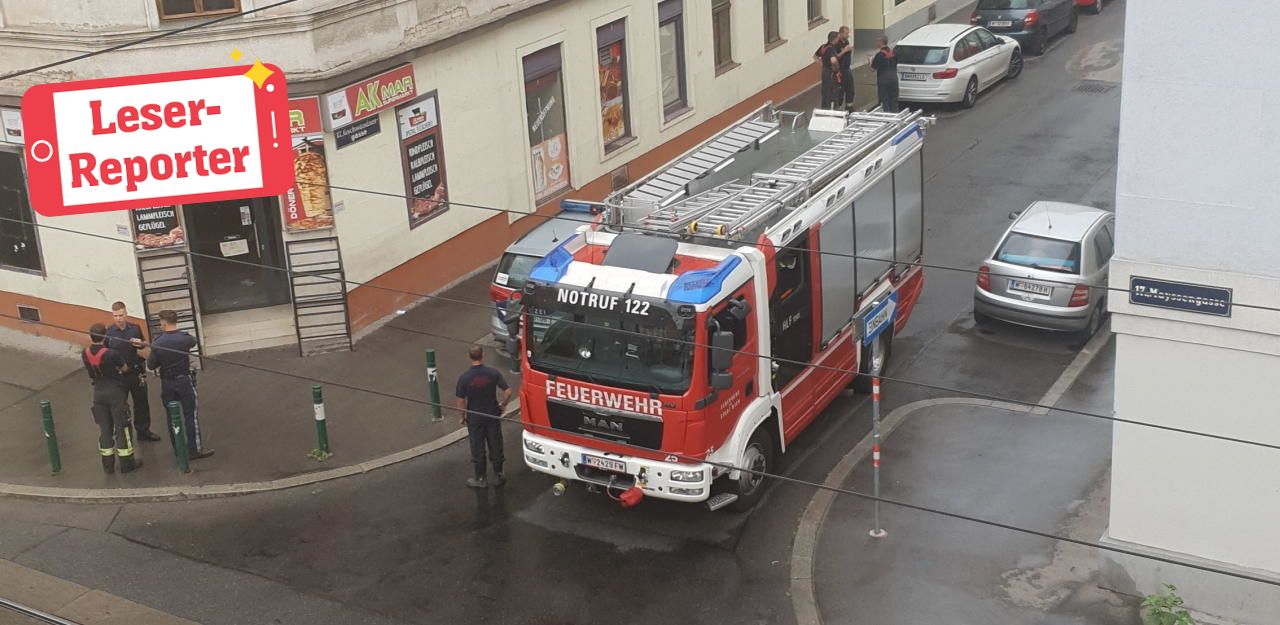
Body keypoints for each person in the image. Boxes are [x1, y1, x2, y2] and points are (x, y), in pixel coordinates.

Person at [147, 310, 213, 460]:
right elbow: (193, 342)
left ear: (163, 323)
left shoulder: (158, 343)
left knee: (171, 417)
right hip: (184, 380)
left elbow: (151, 365)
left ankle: (178, 449)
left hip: (167, 383)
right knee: (190, 415)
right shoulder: (185, 339)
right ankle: (194, 450)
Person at [83, 323, 143, 474]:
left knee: (105, 429)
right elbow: (124, 368)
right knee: (122, 427)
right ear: (105, 336)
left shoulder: (85, 353)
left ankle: (108, 465)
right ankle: (126, 463)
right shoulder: (111, 353)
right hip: (115, 392)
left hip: (98, 392)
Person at [455, 345, 512, 488]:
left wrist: (461, 416)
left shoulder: (464, 378)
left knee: (478, 448)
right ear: (483, 355)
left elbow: (461, 400)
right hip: (492, 414)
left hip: (475, 418)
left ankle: (481, 479)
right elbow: (508, 391)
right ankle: (498, 475)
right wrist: (503, 404)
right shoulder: (493, 373)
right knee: (495, 444)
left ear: (469, 357)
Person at [104, 302, 161, 442]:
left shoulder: (135, 328)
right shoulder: (108, 333)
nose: (118, 318)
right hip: (119, 377)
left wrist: (141, 344)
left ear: (126, 314)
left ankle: (144, 431)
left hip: (136, 373)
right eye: (115, 316)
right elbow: (105, 354)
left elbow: (144, 346)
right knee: (121, 406)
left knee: (141, 404)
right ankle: (124, 435)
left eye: (121, 315)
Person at [871, 35, 900, 113]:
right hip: (894, 79)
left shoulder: (879, 55)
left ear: (881, 42)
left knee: (885, 101)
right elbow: (896, 63)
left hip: (884, 80)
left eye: (877, 41)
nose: (876, 43)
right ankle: (895, 116)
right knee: (894, 100)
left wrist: (870, 61)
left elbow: (872, 69)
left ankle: (887, 118)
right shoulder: (894, 52)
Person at [816, 31, 844, 110]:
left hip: (825, 72)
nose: (839, 40)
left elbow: (815, 57)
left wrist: (823, 64)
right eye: (838, 38)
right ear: (835, 39)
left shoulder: (823, 47)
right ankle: (833, 110)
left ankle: (824, 108)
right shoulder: (831, 49)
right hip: (831, 74)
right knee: (833, 92)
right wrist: (836, 69)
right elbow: (833, 60)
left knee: (825, 91)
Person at [836, 26, 856, 111]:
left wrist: (849, 50)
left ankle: (849, 108)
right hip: (839, 71)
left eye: (848, 33)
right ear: (840, 33)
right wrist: (844, 50)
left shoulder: (846, 42)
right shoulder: (836, 44)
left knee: (850, 89)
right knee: (839, 90)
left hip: (847, 69)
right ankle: (838, 108)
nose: (848, 35)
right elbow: (835, 57)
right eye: (846, 33)